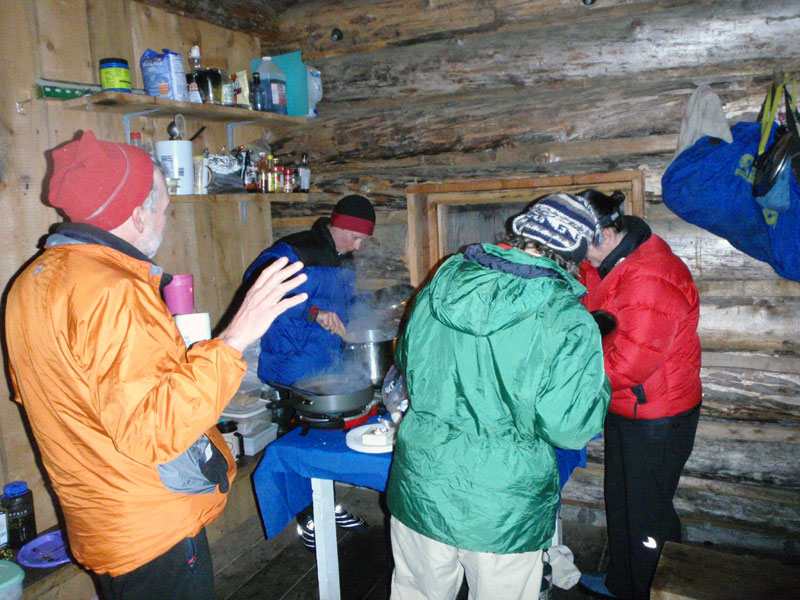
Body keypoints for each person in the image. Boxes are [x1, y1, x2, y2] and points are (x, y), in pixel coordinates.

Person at [4, 130, 308, 600]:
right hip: (152, 528)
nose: (165, 218)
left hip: (99, 521)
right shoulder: (113, 291)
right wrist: (234, 337)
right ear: (137, 212)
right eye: (164, 206)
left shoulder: (29, 284)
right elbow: (155, 429)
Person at [387, 193, 611, 600]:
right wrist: (598, 381)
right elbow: (570, 427)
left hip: (423, 485)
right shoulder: (568, 317)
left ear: (521, 233)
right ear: (573, 254)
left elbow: (406, 357)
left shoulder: (445, 279)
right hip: (503, 506)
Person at [576, 189, 702, 600]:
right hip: (626, 405)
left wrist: (566, 384)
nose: (581, 259)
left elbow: (630, 364)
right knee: (623, 500)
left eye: (583, 248)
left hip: (656, 415)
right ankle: (621, 582)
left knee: (648, 513)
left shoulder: (650, 276)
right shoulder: (608, 262)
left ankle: (650, 590)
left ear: (605, 234)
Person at [243, 194, 376, 549]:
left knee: (323, 440)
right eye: (356, 237)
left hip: (323, 363)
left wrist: (367, 319)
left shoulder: (343, 259)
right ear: (340, 225)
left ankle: (325, 505)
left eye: (363, 240)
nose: (358, 245)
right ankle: (307, 518)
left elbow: (346, 304)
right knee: (299, 441)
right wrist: (313, 312)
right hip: (291, 362)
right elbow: (258, 287)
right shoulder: (293, 251)